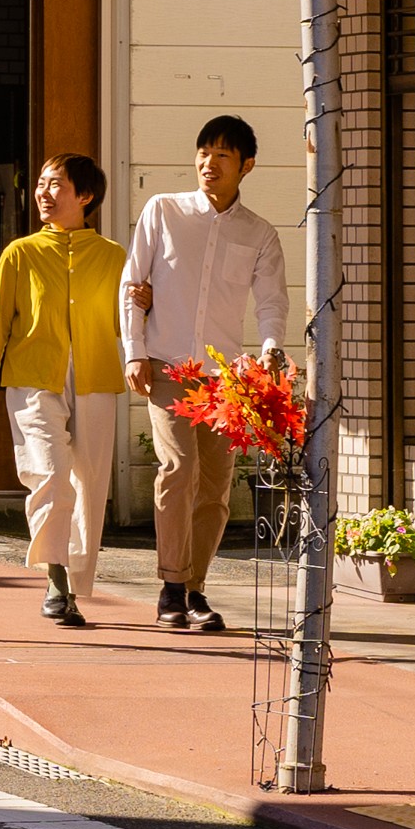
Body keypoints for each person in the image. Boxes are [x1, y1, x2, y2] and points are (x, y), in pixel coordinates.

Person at [124, 114, 288, 634]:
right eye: (202, 152)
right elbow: (133, 283)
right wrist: (134, 350)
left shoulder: (260, 234)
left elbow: (271, 303)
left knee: (216, 486)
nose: (207, 163)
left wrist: (269, 349)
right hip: (168, 367)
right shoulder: (163, 211)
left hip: (225, 380)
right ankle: (171, 587)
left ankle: (195, 589)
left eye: (221, 154)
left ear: (247, 165)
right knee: (178, 469)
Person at [0, 154, 121, 627]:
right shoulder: (21, 253)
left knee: (90, 485)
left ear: (85, 196)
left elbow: (127, 324)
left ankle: (75, 579)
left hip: (96, 376)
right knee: (49, 474)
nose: (44, 194)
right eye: (40, 184)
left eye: (56, 185)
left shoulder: (114, 257)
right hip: (32, 379)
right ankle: (56, 580)